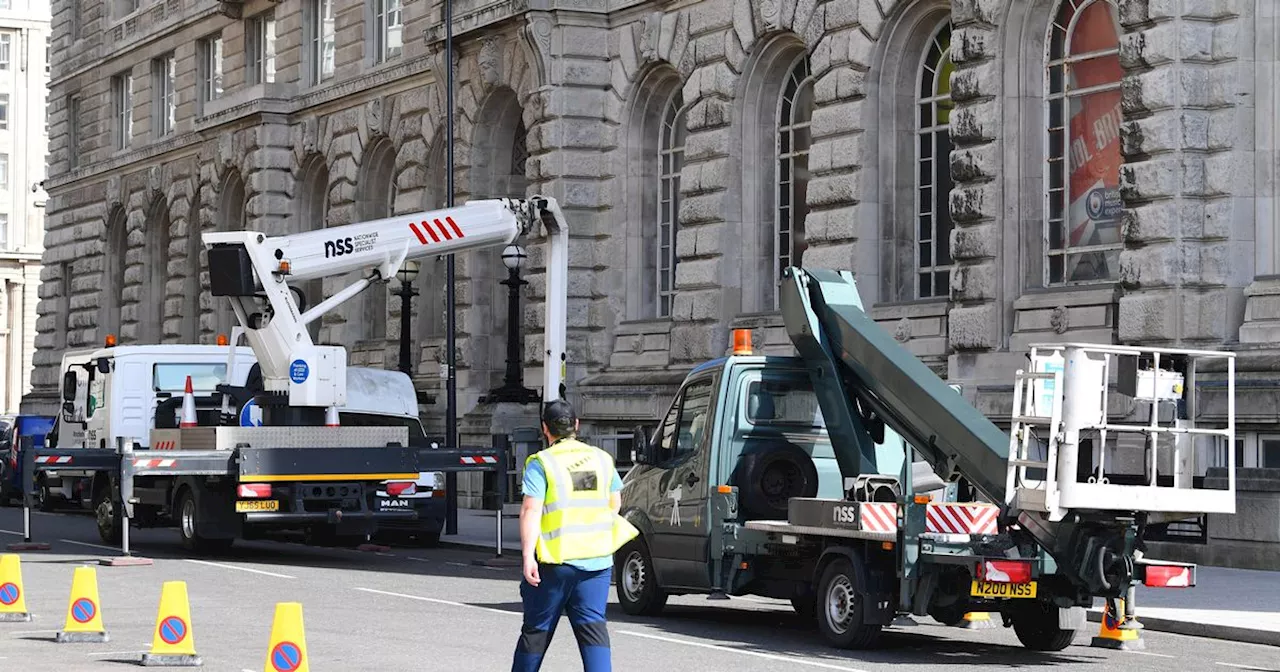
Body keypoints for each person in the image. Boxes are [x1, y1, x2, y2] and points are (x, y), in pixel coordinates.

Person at [512, 399, 625, 672]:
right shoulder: (601, 459)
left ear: (544, 429)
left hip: (555, 563)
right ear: (576, 425)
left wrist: (528, 557)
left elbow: (530, 510)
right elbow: (615, 504)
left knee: (536, 631)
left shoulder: (542, 463)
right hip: (596, 561)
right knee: (593, 631)